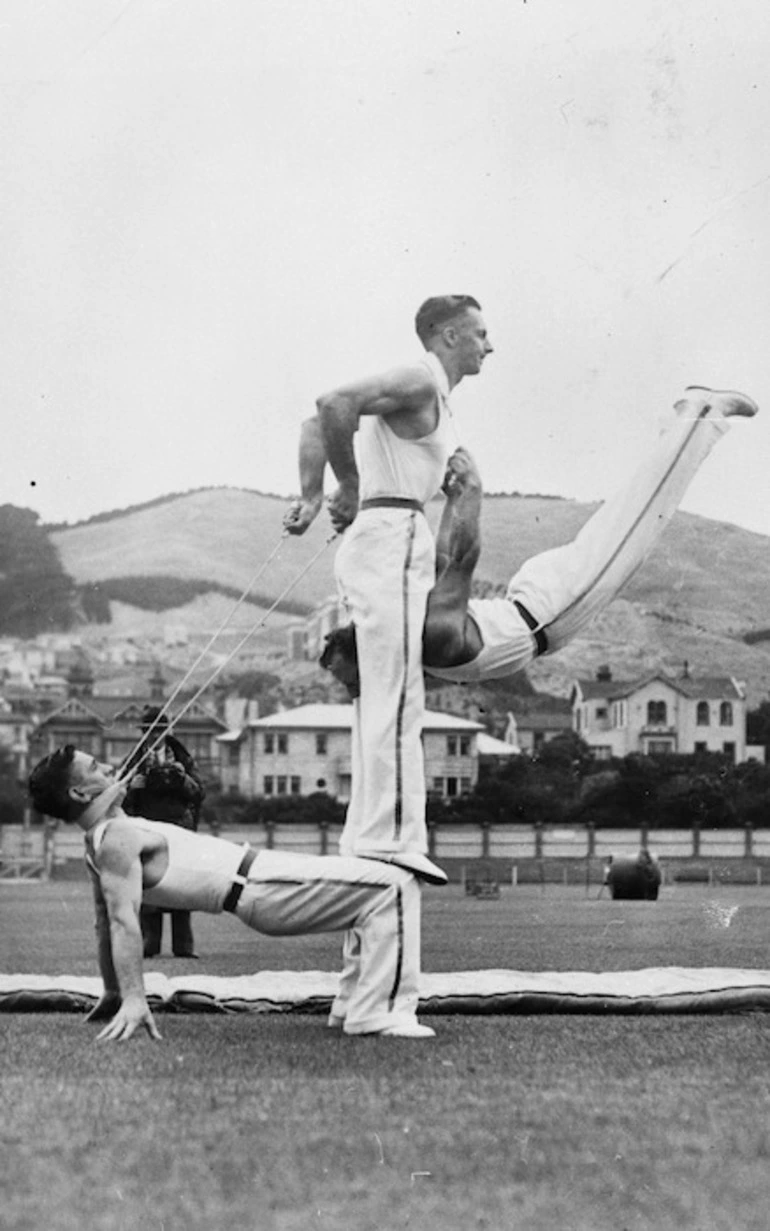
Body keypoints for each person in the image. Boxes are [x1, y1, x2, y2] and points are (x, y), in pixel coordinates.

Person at [319, 386, 758, 688]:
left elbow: (463, 557)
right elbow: (445, 558)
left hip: (551, 610)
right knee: (632, 516)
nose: (357, 694)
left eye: (354, 682)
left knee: (639, 520)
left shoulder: (432, 636)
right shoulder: (414, 627)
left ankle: (702, 412)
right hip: (533, 601)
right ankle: (682, 425)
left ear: (373, 654)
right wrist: (456, 498)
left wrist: (469, 491)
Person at [284, 295, 493, 886]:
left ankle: (370, 836)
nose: (489, 345)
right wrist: (345, 485)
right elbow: (330, 404)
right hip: (391, 532)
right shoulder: (419, 378)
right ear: (448, 336)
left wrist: (309, 495)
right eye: (479, 333)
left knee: (383, 691)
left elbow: (311, 424)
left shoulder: (430, 397)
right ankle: (393, 839)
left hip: (389, 536)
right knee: (399, 696)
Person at [27, 746, 434, 1042]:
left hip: (264, 878)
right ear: (80, 794)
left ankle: (354, 1005)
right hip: (260, 887)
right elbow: (119, 920)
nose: (110, 767)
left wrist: (114, 991)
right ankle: (375, 1014)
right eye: (96, 767)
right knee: (395, 885)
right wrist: (134, 998)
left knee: (377, 888)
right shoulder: (114, 839)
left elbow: (103, 924)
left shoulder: (102, 837)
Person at [122, 706, 205, 960]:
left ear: (168, 731)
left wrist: (181, 779)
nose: (154, 735)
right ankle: (150, 943)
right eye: (149, 731)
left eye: (158, 730)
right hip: (147, 828)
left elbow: (199, 793)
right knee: (149, 886)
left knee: (181, 885)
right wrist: (132, 788)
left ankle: (183, 946)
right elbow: (118, 799)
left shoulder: (183, 758)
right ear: (143, 733)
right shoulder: (134, 760)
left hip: (179, 829)